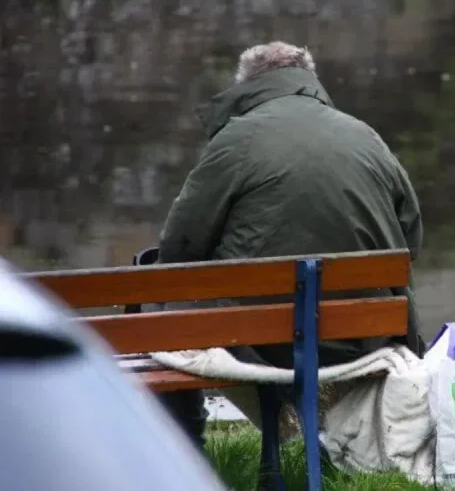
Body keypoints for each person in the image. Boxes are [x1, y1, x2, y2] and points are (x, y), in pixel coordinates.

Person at [155, 41, 425, 447]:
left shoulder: (236, 139)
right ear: (309, 82)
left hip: (266, 344)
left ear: (247, 87)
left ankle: (186, 452)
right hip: (364, 337)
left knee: (166, 311)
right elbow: (411, 240)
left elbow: (180, 249)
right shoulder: (364, 135)